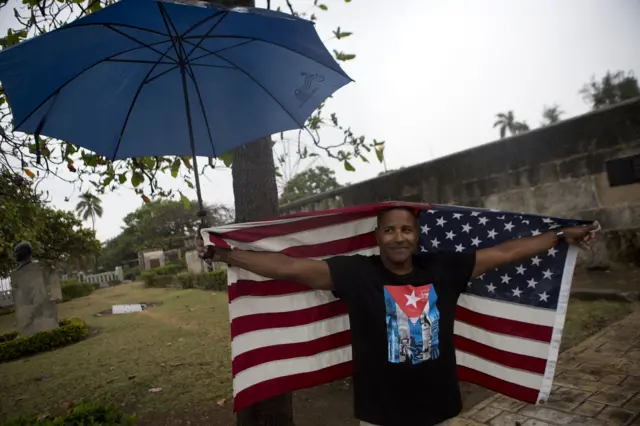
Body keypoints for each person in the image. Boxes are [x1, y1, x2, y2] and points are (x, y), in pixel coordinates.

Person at [195, 207, 598, 426]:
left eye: (407, 229)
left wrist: (560, 236)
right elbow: (289, 268)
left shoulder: (444, 269)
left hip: (436, 408)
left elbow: (507, 253)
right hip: (380, 414)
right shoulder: (356, 274)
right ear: (377, 237)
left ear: (417, 235)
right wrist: (225, 253)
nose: (399, 237)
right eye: (390, 230)